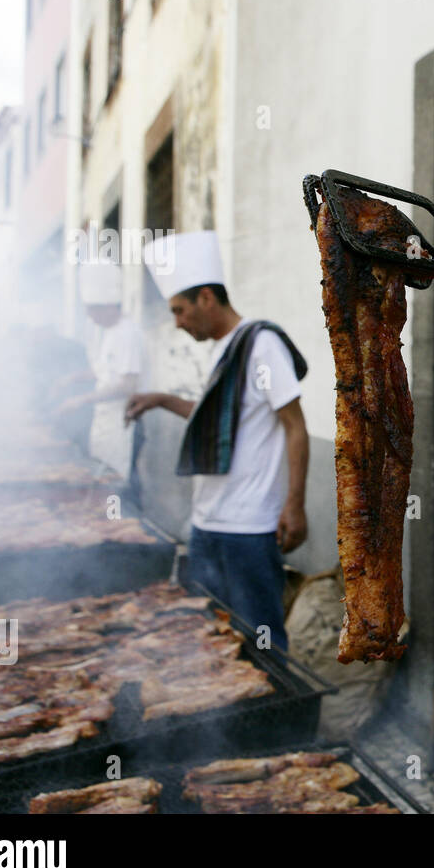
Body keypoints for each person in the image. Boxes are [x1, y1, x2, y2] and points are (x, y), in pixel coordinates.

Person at [125, 230, 310, 652]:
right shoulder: (222, 348)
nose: (177, 322)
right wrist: (161, 399)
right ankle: (225, 720)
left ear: (207, 298)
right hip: (207, 522)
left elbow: (295, 424)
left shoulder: (261, 345)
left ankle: (277, 718)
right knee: (212, 639)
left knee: (259, 638)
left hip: (247, 526)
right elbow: (218, 419)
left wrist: (295, 504)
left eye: (179, 310)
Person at [53, 253, 147, 502]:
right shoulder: (108, 332)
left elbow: (128, 384)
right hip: (106, 421)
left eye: (92, 310)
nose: (89, 316)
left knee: (120, 485)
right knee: (104, 481)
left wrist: (82, 400)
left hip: (124, 423)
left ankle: (130, 528)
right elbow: (104, 372)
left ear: (108, 306)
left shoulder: (127, 333)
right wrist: (72, 378)